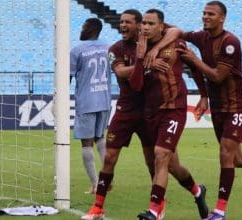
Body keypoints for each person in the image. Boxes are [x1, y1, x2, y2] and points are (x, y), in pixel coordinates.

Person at [145, 1, 242, 219]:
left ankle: (219, 212)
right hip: (218, 107)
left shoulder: (230, 42)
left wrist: (194, 59)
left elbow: (217, 76)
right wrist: (153, 29)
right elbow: (176, 30)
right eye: (204, 13)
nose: (205, 17)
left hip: (237, 106)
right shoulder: (200, 36)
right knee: (236, 158)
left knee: (225, 154)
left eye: (211, 14)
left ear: (222, 18)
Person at [80, 9, 170, 220]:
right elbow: (120, 72)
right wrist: (145, 61)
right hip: (125, 111)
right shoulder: (116, 48)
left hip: (149, 111)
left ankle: (157, 205)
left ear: (140, 25)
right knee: (109, 157)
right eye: (121, 22)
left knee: (152, 161)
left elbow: (175, 32)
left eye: (128, 22)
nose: (122, 26)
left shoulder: (156, 44)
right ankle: (97, 208)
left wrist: (150, 56)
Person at [130, 9, 208, 220]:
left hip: (174, 109)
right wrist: (141, 60)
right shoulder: (138, 47)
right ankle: (197, 191)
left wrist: (203, 95)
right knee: (172, 165)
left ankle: (155, 210)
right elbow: (136, 85)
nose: (145, 27)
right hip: (150, 112)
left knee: (160, 155)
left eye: (150, 23)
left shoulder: (176, 43)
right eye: (143, 23)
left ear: (161, 26)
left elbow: (194, 68)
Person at [70, 18, 111, 196]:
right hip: (104, 99)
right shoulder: (108, 48)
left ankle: (96, 184)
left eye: (83, 26)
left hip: (86, 101)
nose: (81, 29)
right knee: (100, 138)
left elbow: (67, 77)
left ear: (91, 29)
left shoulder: (77, 50)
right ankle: (108, 181)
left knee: (86, 143)